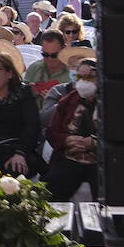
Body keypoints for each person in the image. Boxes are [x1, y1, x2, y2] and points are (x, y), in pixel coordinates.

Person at [43, 56, 100, 199]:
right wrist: (66, 139)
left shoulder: (111, 99)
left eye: (89, 77)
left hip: (101, 159)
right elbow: (52, 131)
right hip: (70, 156)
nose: (83, 82)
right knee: (53, 185)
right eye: (79, 77)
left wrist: (94, 142)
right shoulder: (68, 100)